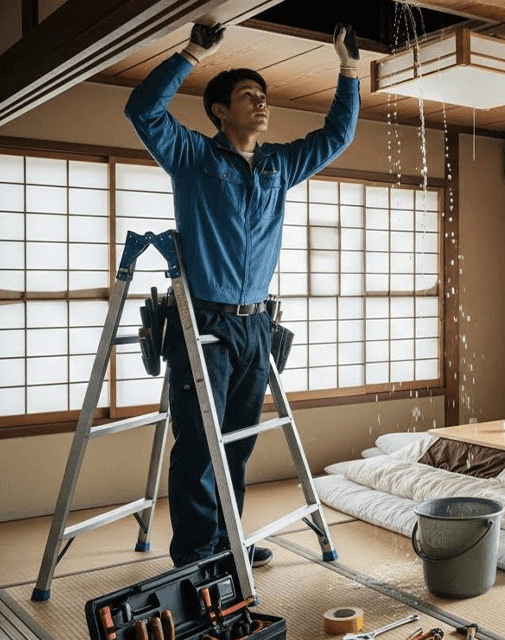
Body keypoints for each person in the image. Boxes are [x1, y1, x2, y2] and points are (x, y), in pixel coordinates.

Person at [124, 22, 360, 568]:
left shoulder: (278, 164)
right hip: (202, 320)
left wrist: (348, 70)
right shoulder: (192, 157)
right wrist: (191, 54)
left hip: (257, 325)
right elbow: (142, 111)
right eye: (249, 97)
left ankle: (227, 541)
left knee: (239, 442)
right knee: (199, 447)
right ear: (218, 111)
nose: (262, 105)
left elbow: (336, 137)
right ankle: (195, 557)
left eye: (264, 97)